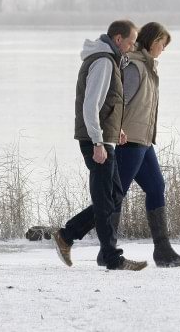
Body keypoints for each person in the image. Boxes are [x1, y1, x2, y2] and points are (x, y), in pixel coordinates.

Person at [52, 20, 148, 271]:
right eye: (130, 41)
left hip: (105, 138)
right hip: (96, 142)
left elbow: (108, 104)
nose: (132, 46)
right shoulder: (104, 62)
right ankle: (111, 258)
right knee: (107, 200)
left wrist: (116, 131)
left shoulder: (109, 60)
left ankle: (67, 235)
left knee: (113, 196)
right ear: (118, 39)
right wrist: (97, 141)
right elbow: (90, 105)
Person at [98, 22, 180, 268]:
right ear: (151, 41)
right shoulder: (134, 67)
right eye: (162, 43)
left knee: (156, 186)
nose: (164, 49)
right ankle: (101, 248)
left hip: (144, 140)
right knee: (117, 193)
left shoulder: (148, 67)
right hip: (130, 139)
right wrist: (117, 130)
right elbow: (119, 100)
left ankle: (163, 251)